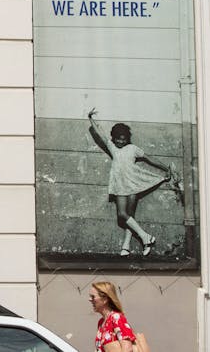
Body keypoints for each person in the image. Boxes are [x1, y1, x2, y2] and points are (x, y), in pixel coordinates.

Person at [88, 108, 178, 256]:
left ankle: (126, 246)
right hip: (120, 186)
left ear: (127, 139)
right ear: (114, 138)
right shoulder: (111, 147)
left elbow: (150, 158)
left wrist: (165, 168)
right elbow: (100, 133)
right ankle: (145, 237)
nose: (120, 141)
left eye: (123, 139)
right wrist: (90, 118)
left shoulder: (133, 148)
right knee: (122, 215)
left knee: (130, 215)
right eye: (118, 138)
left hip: (133, 185)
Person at [89, 281, 137, 352]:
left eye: (93, 297)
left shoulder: (116, 318)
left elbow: (127, 348)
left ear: (105, 299)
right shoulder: (101, 322)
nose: (90, 299)